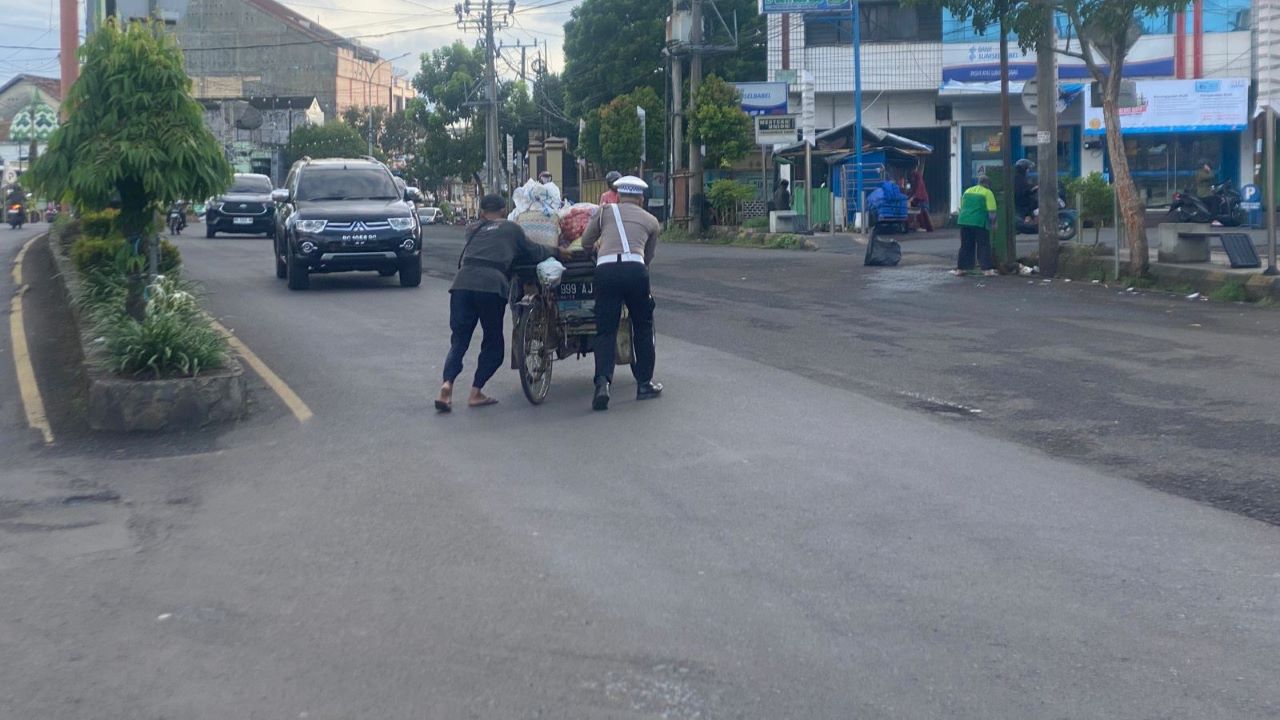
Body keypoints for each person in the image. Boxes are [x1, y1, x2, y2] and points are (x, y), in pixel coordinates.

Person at [435, 194, 564, 412]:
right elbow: (535, 251)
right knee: (493, 344)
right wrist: (559, 252)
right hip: (491, 286)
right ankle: (475, 391)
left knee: (459, 341)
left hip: (461, 285)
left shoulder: (472, 229)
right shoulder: (511, 229)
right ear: (504, 211)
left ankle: (447, 385)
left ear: (482, 212)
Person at [579, 175, 662, 411]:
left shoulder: (604, 212)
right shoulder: (651, 220)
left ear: (618, 195)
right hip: (635, 271)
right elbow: (648, 258)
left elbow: (586, 241)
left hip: (605, 272)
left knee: (605, 330)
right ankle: (644, 384)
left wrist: (597, 250)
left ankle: (602, 384)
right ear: (641, 198)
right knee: (643, 326)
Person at [955, 174, 999, 277]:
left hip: (964, 220)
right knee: (983, 245)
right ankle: (987, 269)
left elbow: (962, 206)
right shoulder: (987, 193)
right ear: (987, 184)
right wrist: (993, 224)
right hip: (979, 222)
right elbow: (992, 211)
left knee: (965, 245)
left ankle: (961, 268)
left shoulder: (967, 191)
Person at [908, 166, 933, 232]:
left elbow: (918, 191)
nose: (912, 179)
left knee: (924, 213)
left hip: (923, 199)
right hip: (919, 200)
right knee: (919, 214)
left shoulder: (919, 181)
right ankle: (923, 227)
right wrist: (908, 197)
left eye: (913, 177)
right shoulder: (915, 183)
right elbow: (913, 191)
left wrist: (912, 197)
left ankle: (928, 228)